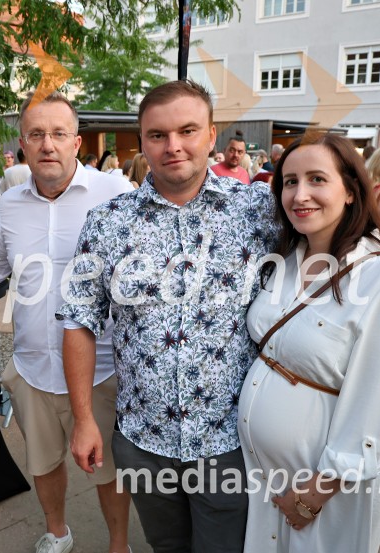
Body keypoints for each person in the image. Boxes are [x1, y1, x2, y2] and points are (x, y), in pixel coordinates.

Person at [59, 80, 279, 553]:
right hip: (143, 440)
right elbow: (79, 321)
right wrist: (83, 420)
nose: (173, 145)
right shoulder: (107, 222)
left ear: (212, 135)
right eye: (157, 135)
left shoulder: (260, 211)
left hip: (231, 443)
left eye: (187, 130)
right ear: (142, 142)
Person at [239, 132, 380, 553]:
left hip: (324, 487)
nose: (300, 194)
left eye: (317, 179)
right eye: (289, 182)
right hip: (262, 475)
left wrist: (314, 494)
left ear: (350, 191)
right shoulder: (287, 259)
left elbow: (378, 406)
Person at [0, 91, 134, 553]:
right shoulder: (8, 205)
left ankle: (119, 544)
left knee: (108, 469)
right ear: (22, 145)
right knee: (43, 463)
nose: (48, 144)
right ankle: (59, 532)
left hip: (102, 369)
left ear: (77, 142)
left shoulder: (115, 194)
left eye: (58, 134)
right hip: (31, 364)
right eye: (37, 134)